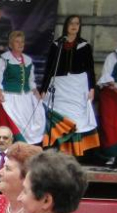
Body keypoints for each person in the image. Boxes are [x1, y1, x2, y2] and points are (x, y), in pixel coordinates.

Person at [40, 15, 99, 157]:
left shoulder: (84, 45)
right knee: (60, 116)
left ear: (79, 26)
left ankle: (74, 152)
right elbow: (49, 69)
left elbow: (90, 69)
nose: (74, 26)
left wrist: (92, 88)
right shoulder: (57, 45)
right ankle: (58, 151)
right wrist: (44, 89)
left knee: (75, 119)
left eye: (77, 23)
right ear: (66, 25)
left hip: (78, 87)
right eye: (71, 23)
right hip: (59, 87)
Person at [0, 31, 45, 145]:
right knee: (11, 124)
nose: (20, 44)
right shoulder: (4, 60)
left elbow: (30, 81)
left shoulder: (28, 61)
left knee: (33, 118)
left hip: (25, 98)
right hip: (9, 97)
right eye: (17, 42)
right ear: (10, 44)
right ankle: (9, 148)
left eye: (22, 42)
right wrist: (0, 93)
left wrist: (36, 93)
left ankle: (26, 148)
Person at [97, 27, 117, 167]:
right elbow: (105, 75)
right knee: (111, 127)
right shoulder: (113, 56)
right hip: (113, 97)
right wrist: (112, 83)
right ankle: (111, 156)